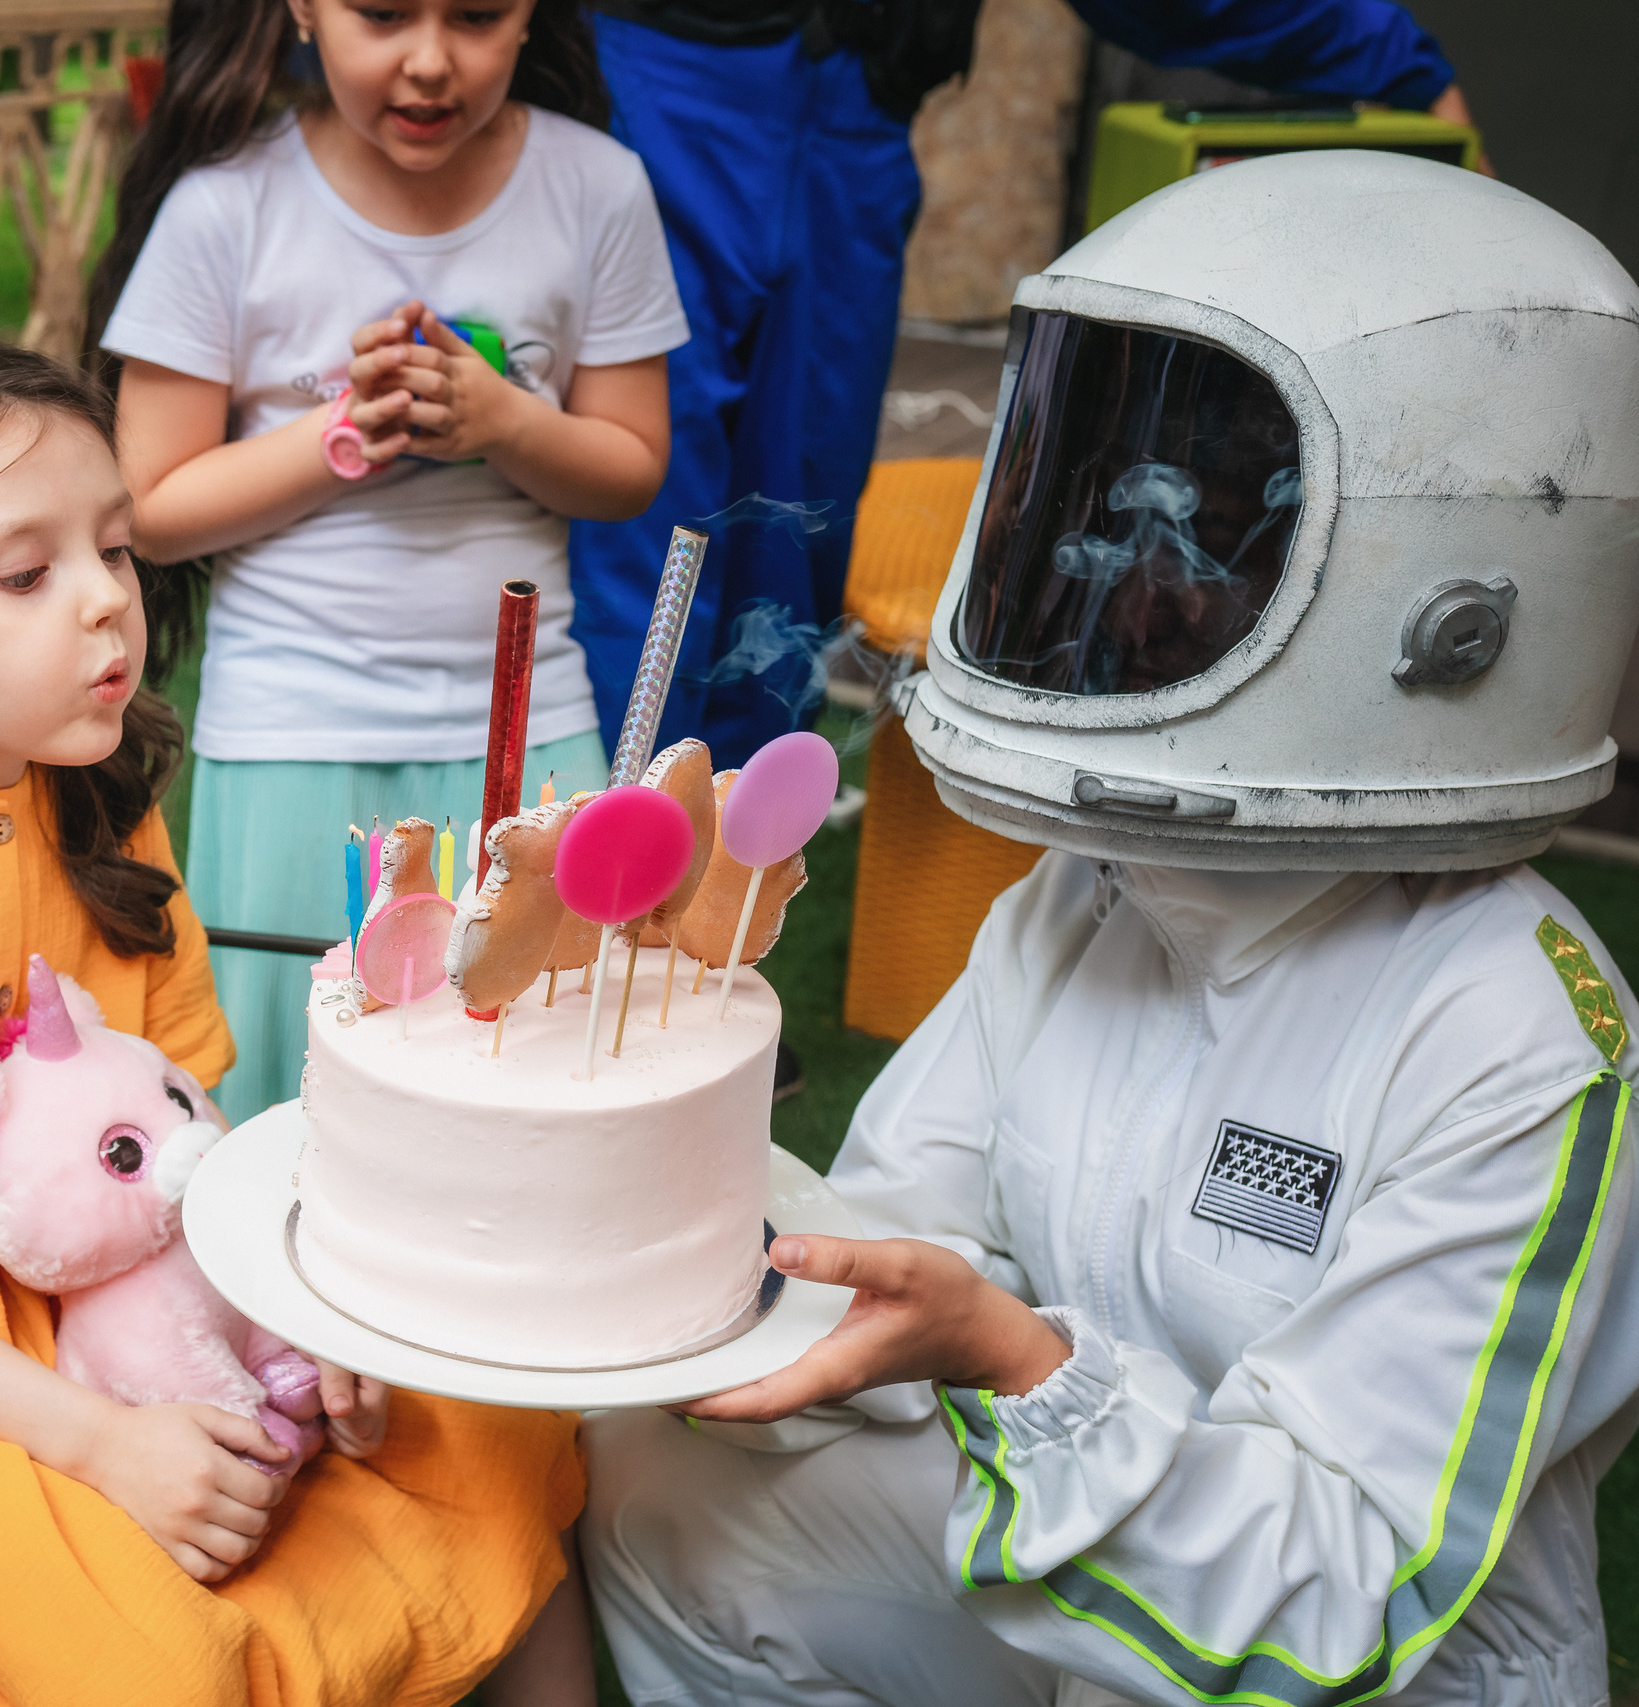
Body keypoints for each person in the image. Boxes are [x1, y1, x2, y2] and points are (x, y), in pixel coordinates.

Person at [579, 155, 1639, 1707]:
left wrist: (1020, 1364)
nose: (1113, 578)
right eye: (1097, 492)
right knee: (668, 1494)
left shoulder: (1525, 1040)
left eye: (1213, 531)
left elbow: (1352, 1585)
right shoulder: (1092, 889)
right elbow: (911, 1229)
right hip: (1084, 1543)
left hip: (1389, 1669)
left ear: (1447, 607)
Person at [0, 340, 595, 1706]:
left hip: (158, 1276)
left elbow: (194, 1118)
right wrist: (97, 1442)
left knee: (492, 1442)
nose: (105, 606)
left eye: (116, 550)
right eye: (26, 574)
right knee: (157, 1660)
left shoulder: (95, 798)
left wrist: (296, 1312)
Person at [569, 0, 1481, 774]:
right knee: (641, 534)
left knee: (792, 539)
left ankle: (719, 913)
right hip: (649, 74)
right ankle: (582, 873)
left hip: (856, 100)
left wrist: (1384, 55)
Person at [85, 0, 688, 1120]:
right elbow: (150, 509)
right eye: (379, 13)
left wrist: (503, 421)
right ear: (302, 10)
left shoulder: (597, 187)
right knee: (291, 1104)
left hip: (527, 732)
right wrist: (345, 436)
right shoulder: (227, 206)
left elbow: (630, 463)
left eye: (474, 16)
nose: (428, 60)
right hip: (293, 736)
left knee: (526, 1089)